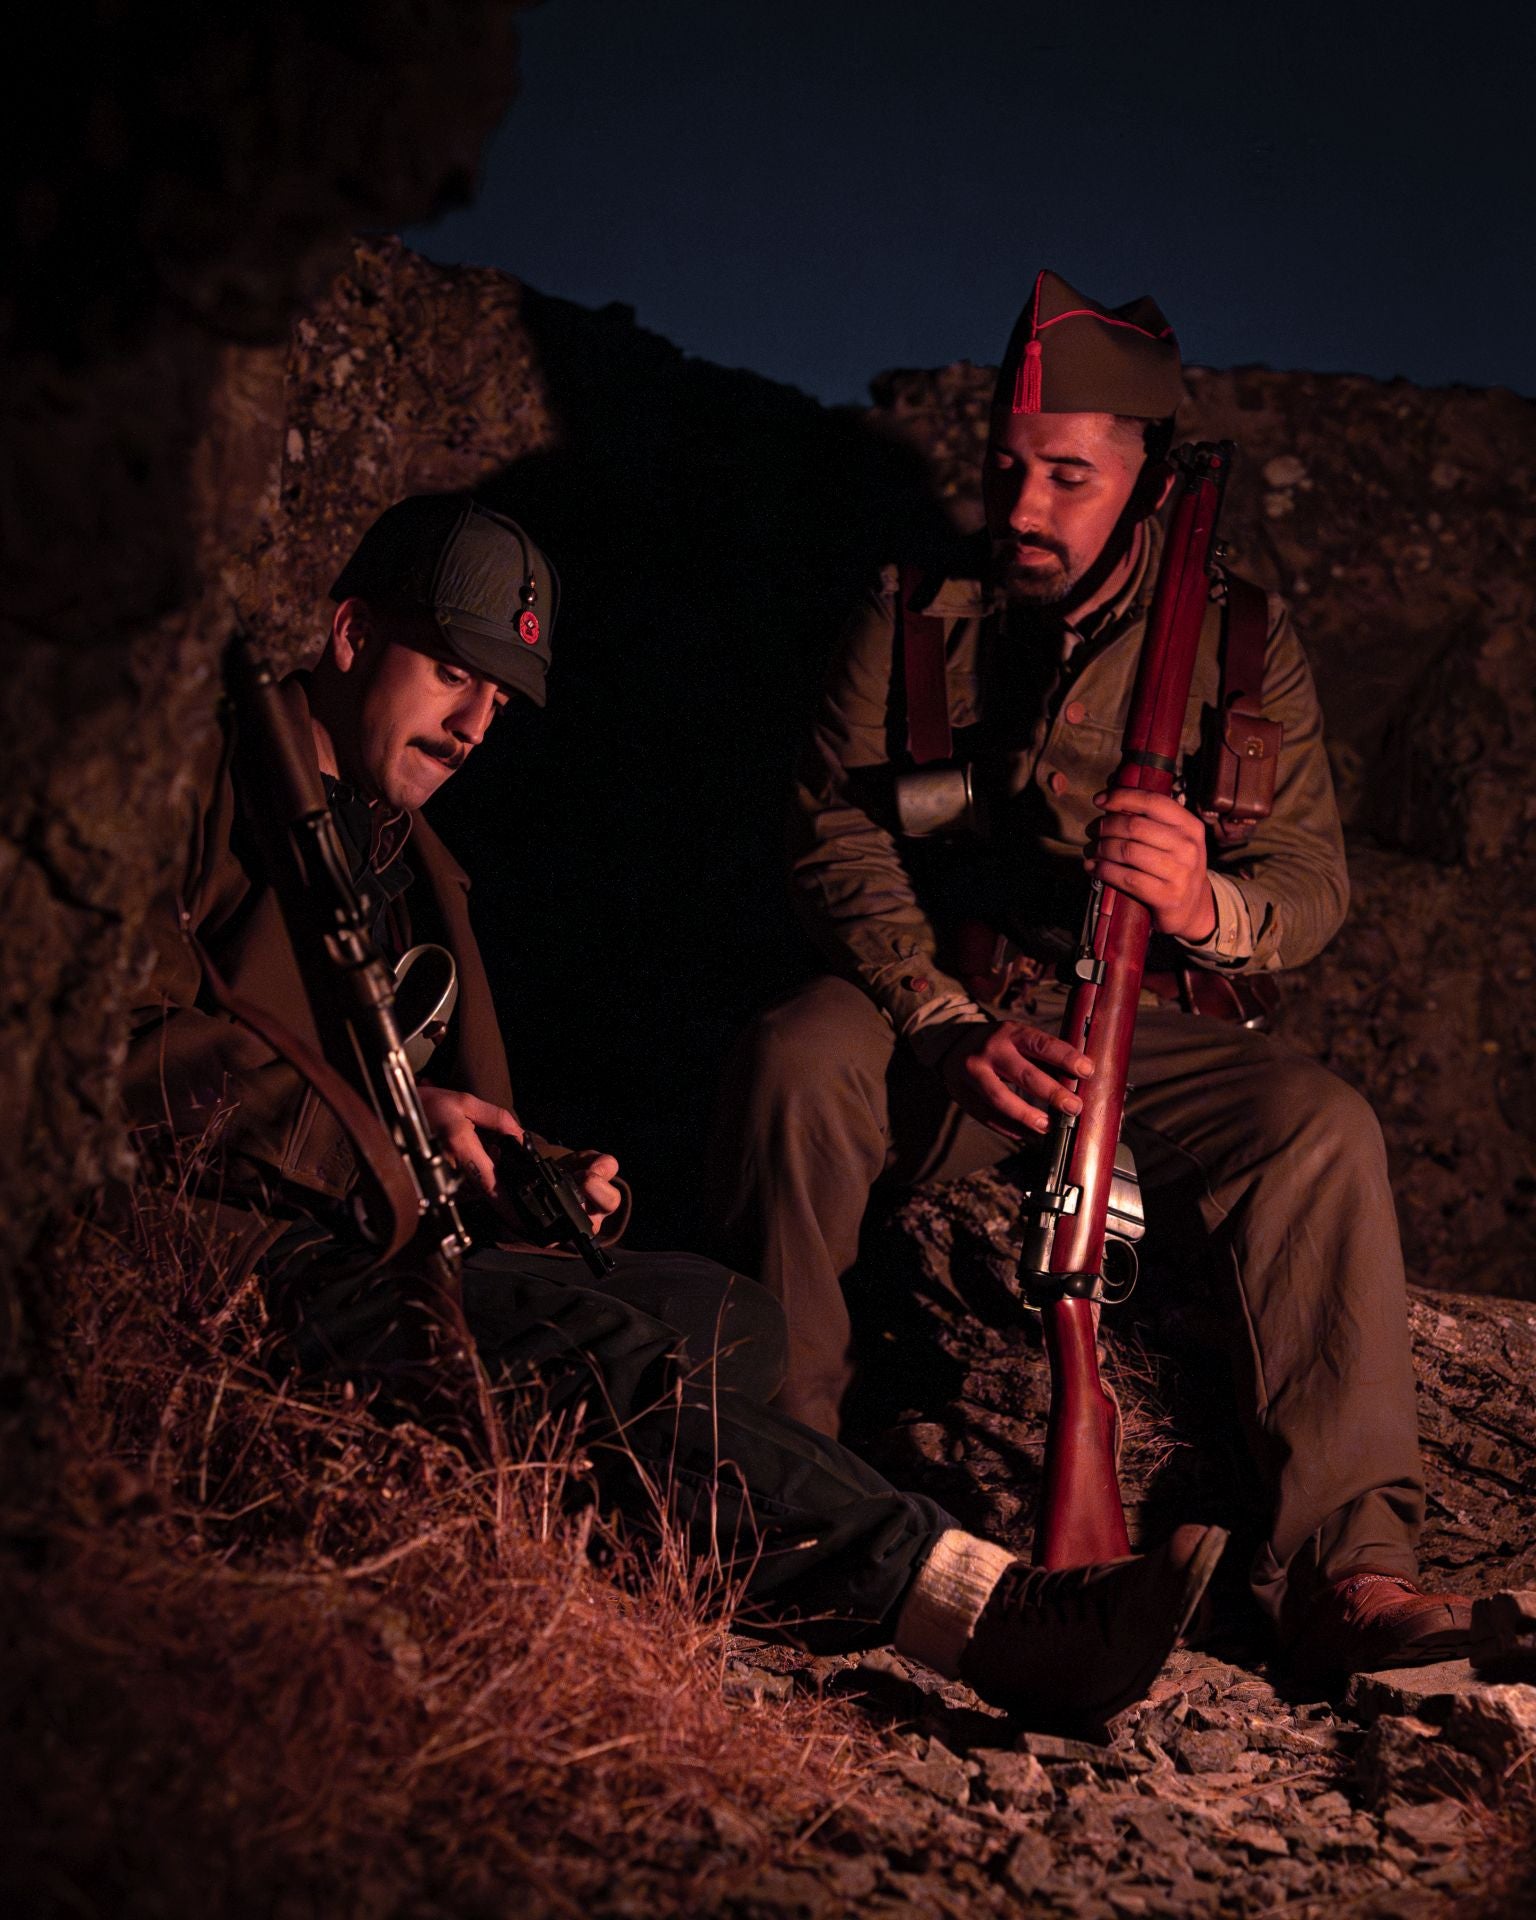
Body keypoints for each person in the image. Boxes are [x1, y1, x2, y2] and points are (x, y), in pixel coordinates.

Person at [122, 490, 1225, 1732]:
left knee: (723, 1319)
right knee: (609, 1359)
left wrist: (524, 1169)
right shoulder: (196, 780)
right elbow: (116, 1047)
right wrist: (383, 1141)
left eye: (500, 698)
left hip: (378, 1232)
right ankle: (980, 1610)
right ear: (348, 634)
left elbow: (402, 1090)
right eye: (450, 672)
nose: (476, 723)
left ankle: (651, 1565)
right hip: (239, 1252)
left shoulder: (412, 861)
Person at [707, 271, 1475, 1680]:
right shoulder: (919, 617)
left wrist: (1204, 901)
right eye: (1009, 469)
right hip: (946, 1004)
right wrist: (940, 1023)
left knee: (1321, 1132)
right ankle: (783, 1498)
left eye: (1068, 476)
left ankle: (1352, 1571)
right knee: (797, 1059)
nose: (1024, 509)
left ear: (1147, 480)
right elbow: (831, 828)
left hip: (1157, 1031)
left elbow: (1312, 888)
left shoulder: (1245, 645)